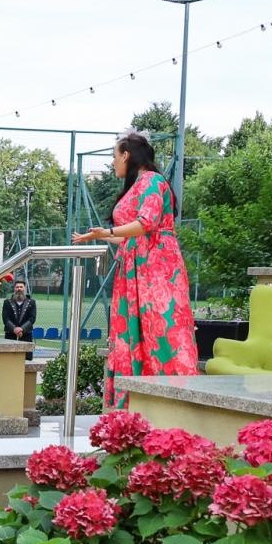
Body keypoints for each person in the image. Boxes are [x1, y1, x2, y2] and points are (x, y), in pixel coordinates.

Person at [73, 130, 199, 409]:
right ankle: (137, 404)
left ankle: (177, 399)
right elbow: (132, 237)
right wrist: (99, 236)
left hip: (156, 268)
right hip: (135, 267)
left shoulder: (153, 181)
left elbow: (146, 223)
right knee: (135, 332)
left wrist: (108, 231)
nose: (113, 162)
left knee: (161, 327)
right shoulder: (137, 185)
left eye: (114, 156)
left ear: (127, 155)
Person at [3, 282, 37, 359]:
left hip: (26, 335)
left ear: (24, 288)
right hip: (10, 335)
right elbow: (5, 318)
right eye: (17, 287)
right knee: (9, 358)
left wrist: (22, 329)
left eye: (21, 287)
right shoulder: (7, 302)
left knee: (26, 359)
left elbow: (32, 318)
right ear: (14, 289)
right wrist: (14, 329)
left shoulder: (32, 302)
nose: (19, 289)